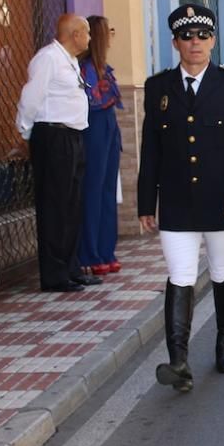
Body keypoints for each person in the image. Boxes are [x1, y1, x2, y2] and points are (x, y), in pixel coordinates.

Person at [138, 4, 224, 392]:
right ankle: (178, 361)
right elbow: (151, 149)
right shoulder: (158, 87)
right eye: (187, 36)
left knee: (222, 271)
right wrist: (145, 203)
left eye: (203, 36)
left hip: (222, 199)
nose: (195, 43)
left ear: (213, 40)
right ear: (175, 42)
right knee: (180, 276)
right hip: (175, 200)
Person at [16, 14, 102, 292]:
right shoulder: (48, 58)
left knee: (72, 205)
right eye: (87, 33)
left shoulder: (70, 60)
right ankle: (55, 275)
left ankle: (71, 267)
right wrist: (26, 130)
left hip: (72, 136)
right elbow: (31, 97)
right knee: (55, 207)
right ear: (75, 34)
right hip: (53, 136)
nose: (90, 38)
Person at [78, 16, 123, 276]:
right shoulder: (86, 69)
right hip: (93, 126)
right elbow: (92, 102)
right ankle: (91, 253)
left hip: (107, 127)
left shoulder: (101, 67)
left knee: (106, 190)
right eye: (110, 31)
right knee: (93, 191)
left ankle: (106, 251)